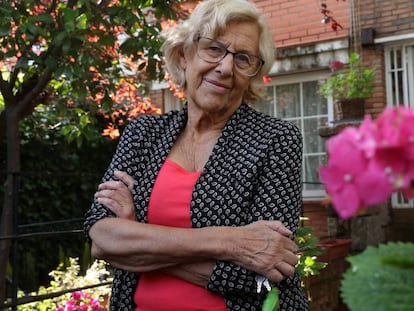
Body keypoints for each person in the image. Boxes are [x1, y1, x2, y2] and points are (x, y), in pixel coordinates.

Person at [84, 0, 308, 310]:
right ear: (184, 55)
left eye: (243, 58)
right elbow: (101, 237)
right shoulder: (143, 134)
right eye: (214, 49)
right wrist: (232, 242)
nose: (226, 67)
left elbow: (264, 273)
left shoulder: (275, 140)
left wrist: (137, 241)